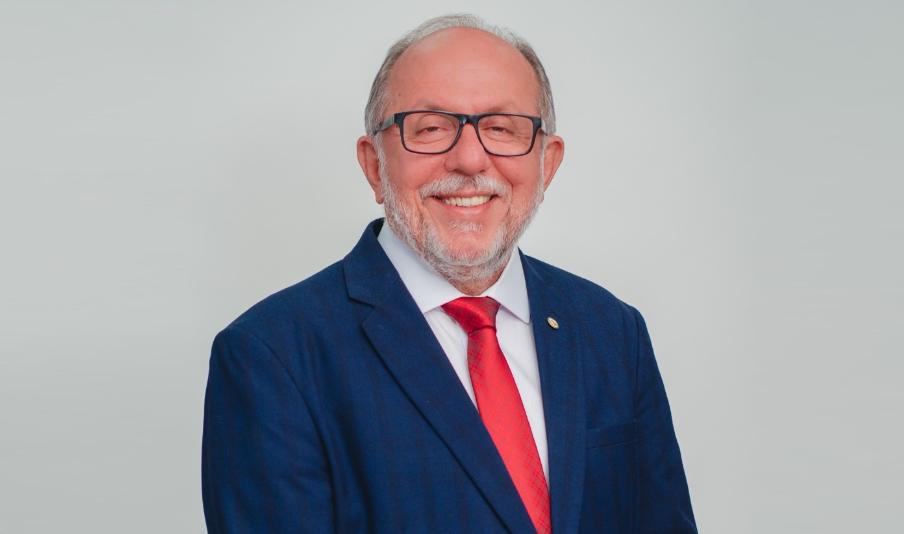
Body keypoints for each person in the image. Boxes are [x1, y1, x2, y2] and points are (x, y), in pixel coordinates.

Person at [202, 14, 697, 533]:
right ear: (374, 165)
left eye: (501, 128)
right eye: (431, 128)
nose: (469, 159)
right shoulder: (272, 356)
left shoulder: (612, 332)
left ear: (547, 164)